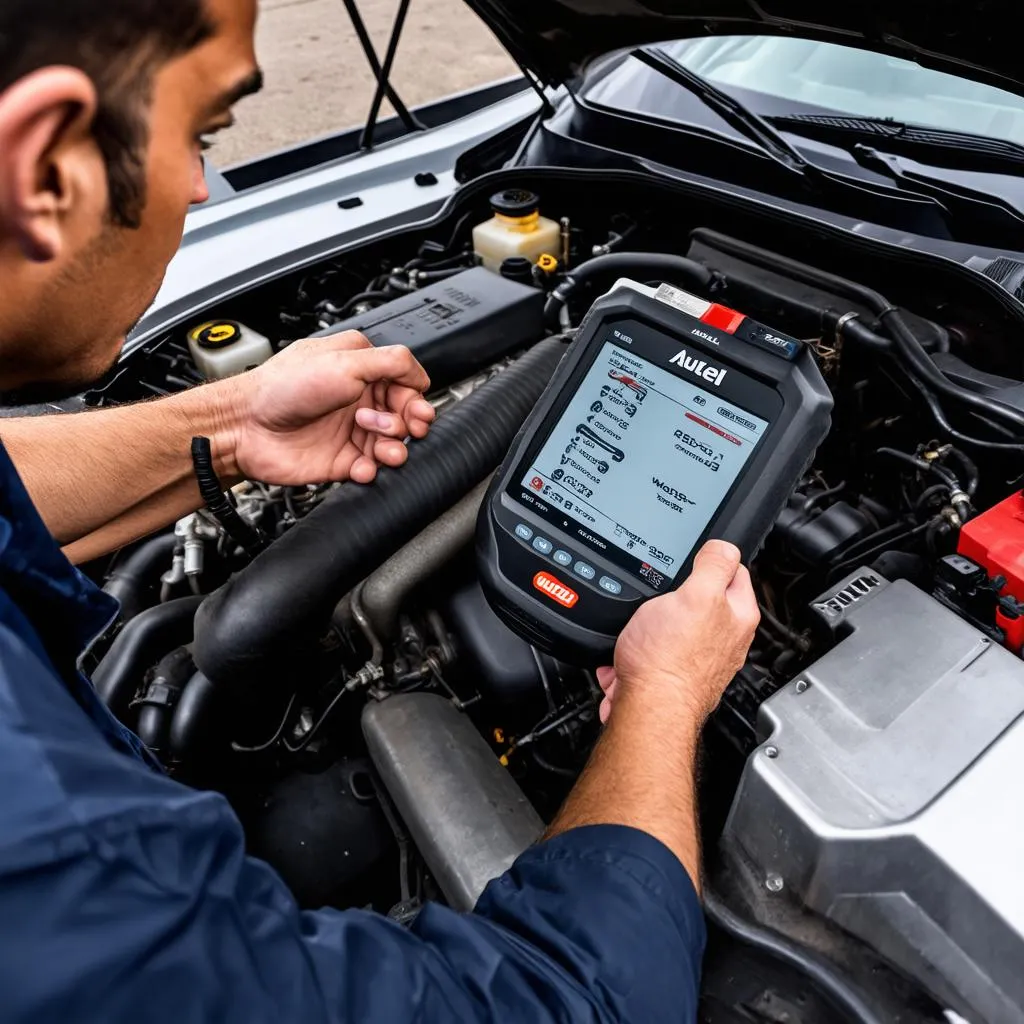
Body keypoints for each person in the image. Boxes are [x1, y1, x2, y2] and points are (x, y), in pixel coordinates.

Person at [0, 1, 760, 1021]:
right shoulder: (59, 858)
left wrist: (231, 430)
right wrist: (665, 699)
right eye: (204, 133)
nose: (197, 186)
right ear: (43, 161)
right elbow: (564, 1004)